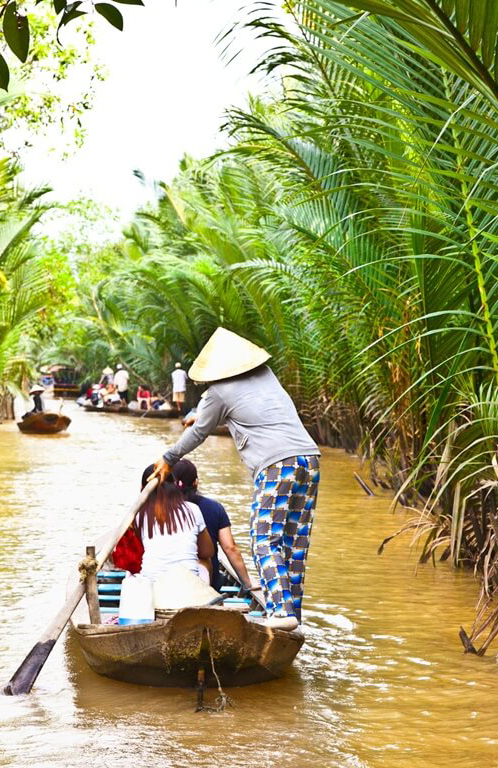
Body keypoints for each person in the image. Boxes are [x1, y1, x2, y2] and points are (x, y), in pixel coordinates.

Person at [149, 327, 321, 631]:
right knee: (294, 543)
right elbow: (248, 413)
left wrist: (168, 458)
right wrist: (201, 416)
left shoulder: (217, 393)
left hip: (276, 464)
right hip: (308, 459)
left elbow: (201, 432)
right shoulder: (266, 375)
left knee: (263, 538)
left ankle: (280, 611)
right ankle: (293, 613)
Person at [171, 458, 257, 591]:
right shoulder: (215, 508)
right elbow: (230, 548)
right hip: (208, 580)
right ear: (196, 482)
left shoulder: (159, 509)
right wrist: (247, 584)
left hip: (167, 578)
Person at [137, 466, 214, 581]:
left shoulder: (139, 515)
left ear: (143, 488)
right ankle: (205, 594)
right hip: (187, 582)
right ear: (175, 486)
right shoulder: (193, 509)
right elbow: (207, 552)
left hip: (152, 580)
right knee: (205, 561)